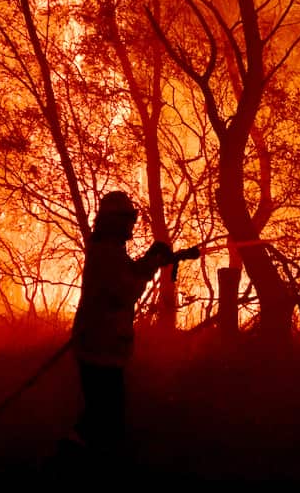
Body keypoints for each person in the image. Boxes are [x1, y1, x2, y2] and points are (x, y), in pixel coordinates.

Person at [69, 190, 195, 453]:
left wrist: (152, 258)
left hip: (101, 347)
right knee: (106, 419)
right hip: (99, 350)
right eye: (127, 218)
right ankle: (80, 462)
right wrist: (152, 263)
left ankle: (78, 455)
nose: (131, 224)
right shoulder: (106, 252)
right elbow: (126, 291)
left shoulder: (110, 249)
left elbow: (127, 273)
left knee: (98, 414)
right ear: (114, 221)